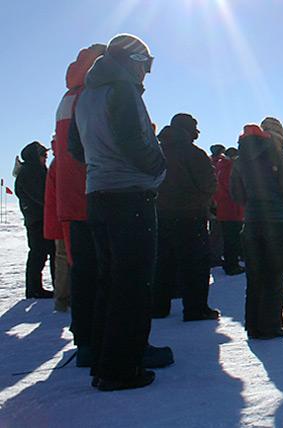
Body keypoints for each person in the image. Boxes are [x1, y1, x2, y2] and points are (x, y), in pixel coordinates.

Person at [72, 34, 167, 390]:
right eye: (147, 63)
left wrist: (102, 164)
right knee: (133, 284)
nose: (147, 72)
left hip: (98, 195)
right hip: (130, 196)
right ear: (133, 59)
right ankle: (122, 369)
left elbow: (75, 149)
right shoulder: (123, 90)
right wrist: (158, 167)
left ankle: (103, 357)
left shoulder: (86, 96)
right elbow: (134, 141)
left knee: (109, 281)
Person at [230, 120, 283, 340]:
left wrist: (253, 206)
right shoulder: (281, 157)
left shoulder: (241, 160)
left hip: (252, 223)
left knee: (255, 276)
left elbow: (237, 194)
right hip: (279, 223)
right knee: (276, 275)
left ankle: (253, 325)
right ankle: (271, 325)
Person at [153, 114, 219, 321]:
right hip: (191, 215)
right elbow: (208, 183)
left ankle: (158, 306)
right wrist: (204, 200)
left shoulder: (156, 151)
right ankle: (195, 309)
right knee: (195, 264)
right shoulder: (194, 154)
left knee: (162, 263)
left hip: (160, 215)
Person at [15, 141, 56, 299]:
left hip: (39, 218)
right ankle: (34, 289)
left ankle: (39, 288)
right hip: (38, 219)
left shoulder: (34, 170)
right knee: (39, 253)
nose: (45, 158)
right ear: (35, 155)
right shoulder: (31, 172)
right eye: (43, 155)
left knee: (44, 252)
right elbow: (42, 196)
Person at [44, 154, 70, 311]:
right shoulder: (67, 159)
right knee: (66, 257)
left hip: (60, 217)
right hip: (71, 216)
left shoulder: (57, 162)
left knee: (62, 258)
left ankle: (61, 298)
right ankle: (64, 298)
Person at [213, 147, 245, 274]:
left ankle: (230, 263)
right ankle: (232, 265)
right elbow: (233, 188)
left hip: (223, 208)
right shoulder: (230, 168)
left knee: (228, 238)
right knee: (233, 238)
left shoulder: (220, 167)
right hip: (233, 208)